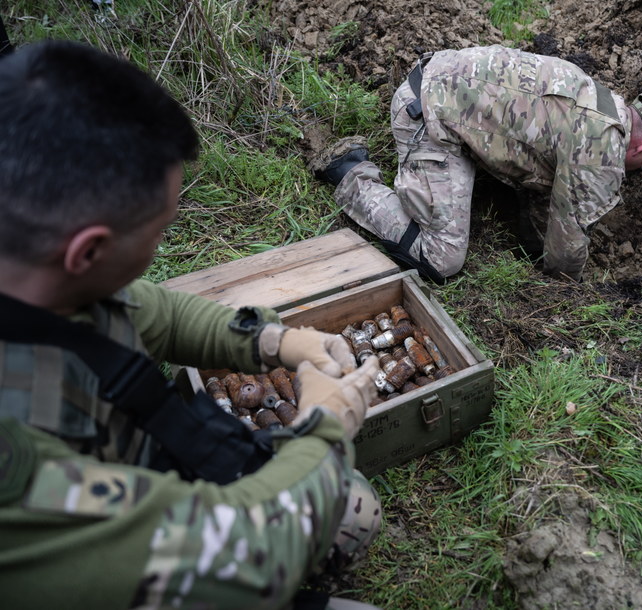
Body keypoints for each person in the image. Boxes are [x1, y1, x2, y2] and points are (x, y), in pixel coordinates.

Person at [0, 40, 384, 609]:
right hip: (108, 561)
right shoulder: (17, 471)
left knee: (351, 508)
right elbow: (249, 548)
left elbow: (158, 310)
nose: (160, 247)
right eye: (158, 233)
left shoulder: (37, 267)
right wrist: (324, 427)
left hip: (133, 494)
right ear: (86, 251)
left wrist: (275, 339)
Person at [312, 44, 642, 283]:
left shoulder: (598, 96)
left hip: (440, 83)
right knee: (441, 257)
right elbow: (566, 244)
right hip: (428, 117)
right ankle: (352, 174)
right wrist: (567, 285)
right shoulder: (601, 147)